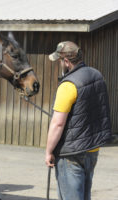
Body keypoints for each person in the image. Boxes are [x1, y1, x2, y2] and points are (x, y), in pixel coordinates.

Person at [45, 41, 112, 200]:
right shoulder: (97, 75)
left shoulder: (68, 85)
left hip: (71, 154)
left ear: (66, 62)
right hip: (92, 149)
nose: (60, 64)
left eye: (60, 61)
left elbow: (58, 123)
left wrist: (48, 151)